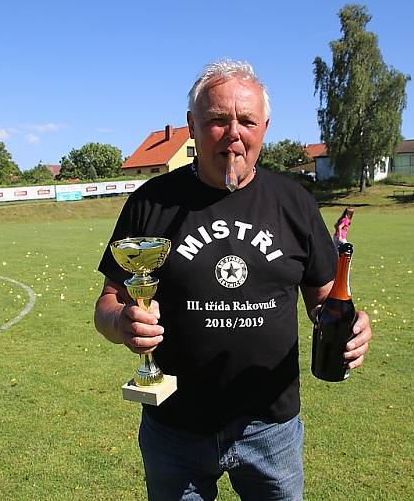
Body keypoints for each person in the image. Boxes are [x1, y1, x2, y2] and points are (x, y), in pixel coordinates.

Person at [94, 59, 372, 500]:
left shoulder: (294, 202)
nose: (234, 133)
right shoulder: (151, 202)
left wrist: (352, 325)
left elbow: (324, 299)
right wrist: (121, 322)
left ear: (264, 126)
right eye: (218, 120)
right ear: (192, 125)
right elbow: (109, 301)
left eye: (246, 120)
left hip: (271, 429)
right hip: (175, 428)